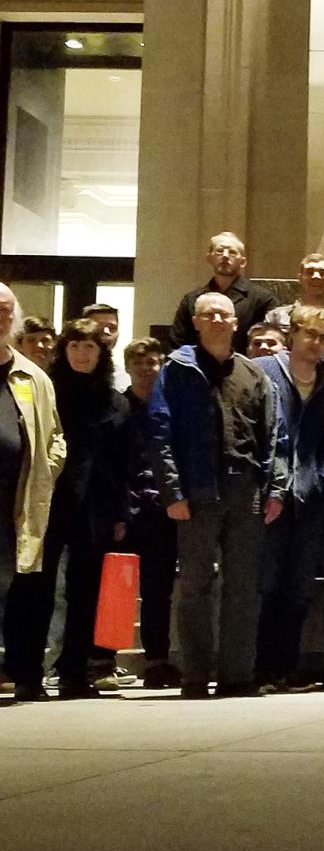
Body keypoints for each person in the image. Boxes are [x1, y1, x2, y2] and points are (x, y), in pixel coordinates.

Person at [148, 291, 288, 698]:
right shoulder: (176, 370)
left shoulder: (253, 374)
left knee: (243, 587)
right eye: (208, 314)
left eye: (223, 314)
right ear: (195, 321)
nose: (216, 319)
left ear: (235, 323)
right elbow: (160, 432)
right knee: (194, 586)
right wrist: (172, 491)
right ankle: (195, 675)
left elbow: (274, 437)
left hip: (247, 492)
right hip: (196, 491)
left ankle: (236, 675)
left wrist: (275, 489)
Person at [253, 306, 324, 692]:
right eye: (311, 334)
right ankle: (258, 668)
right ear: (292, 334)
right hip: (268, 494)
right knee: (267, 583)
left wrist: (320, 480)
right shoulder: (262, 370)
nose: (317, 344)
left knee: (299, 587)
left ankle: (284, 668)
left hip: (310, 499)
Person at [36, 321, 129, 699]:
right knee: (39, 586)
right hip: (50, 501)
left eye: (89, 346)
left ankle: (75, 671)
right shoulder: (48, 393)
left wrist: (121, 512)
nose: (81, 353)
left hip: (98, 506)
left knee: (85, 590)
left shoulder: (115, 401)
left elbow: (123, 462)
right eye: (74, 345)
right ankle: (28, 670)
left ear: (100, 353)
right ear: (64, 350)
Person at [0, 285, 67, 703]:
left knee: (14, 587)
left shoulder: (33, 376)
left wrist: (46, 470)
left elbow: (56, 436)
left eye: (6, 310)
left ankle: (21, 672)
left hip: (18, 502)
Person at [119, 338, 178, 689]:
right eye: (139, 362)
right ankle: (103, 660)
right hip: (124, 512)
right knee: (116, 588)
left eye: (153, 362)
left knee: (159, 591)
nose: (146, 368)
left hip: (161, 511)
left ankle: (157, 661)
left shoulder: (171, 407)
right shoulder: (117, 406)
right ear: (128, 366)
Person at [167, 231, 279, 354]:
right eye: (219, 251)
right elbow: (177, 342)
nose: (225, 256)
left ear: (243, 262)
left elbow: (273, 340)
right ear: (209, 258)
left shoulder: (262, 299)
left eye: (232, 252)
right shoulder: (192, 299)